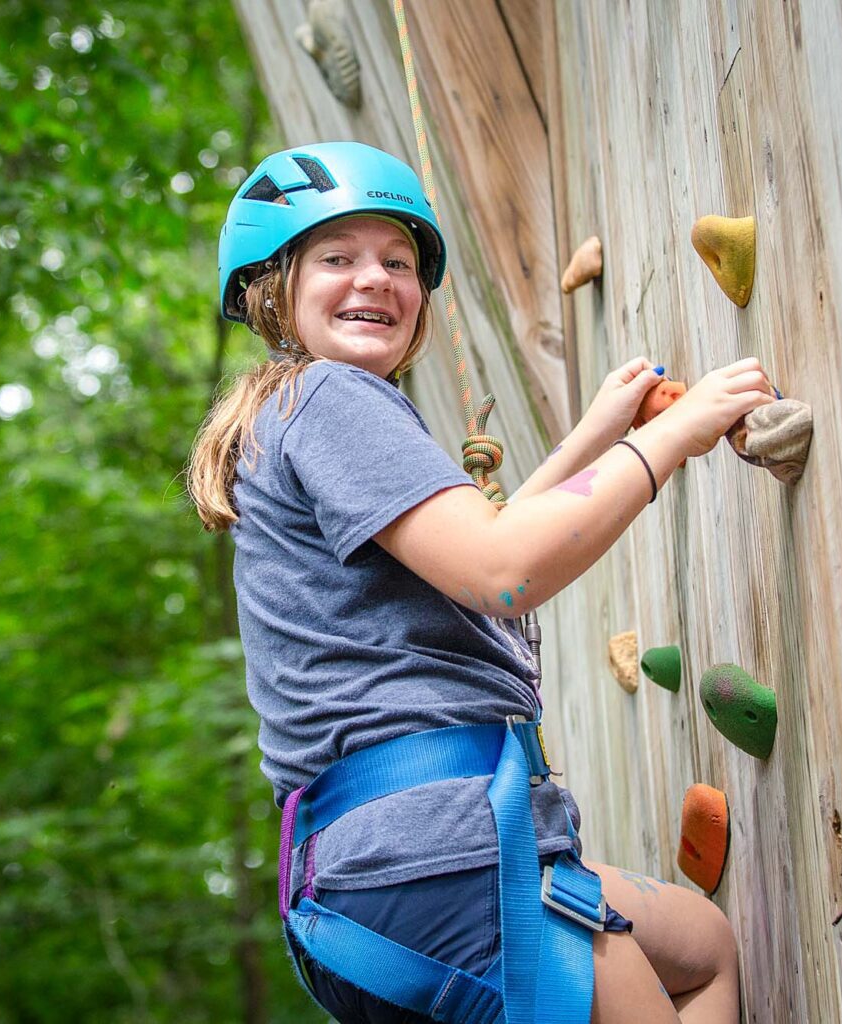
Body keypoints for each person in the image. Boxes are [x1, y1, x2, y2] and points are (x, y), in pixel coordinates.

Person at [187, 141, 764, 1023]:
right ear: (273, 289)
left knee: (699, 948)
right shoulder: (331, 400)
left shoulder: (288, 415)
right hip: (440, 856)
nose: (374, 279)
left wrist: (596, 436)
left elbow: (471, 558)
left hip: (366, 888)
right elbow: (503, 572)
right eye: (337, 258)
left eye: (398, 261)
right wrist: (674, 437)